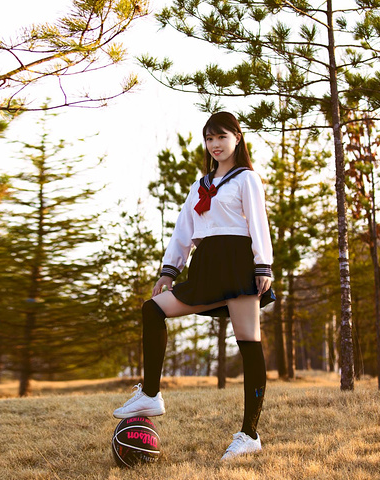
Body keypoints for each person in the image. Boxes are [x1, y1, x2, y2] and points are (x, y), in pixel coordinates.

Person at [113, 111, 273, 461]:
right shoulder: (200, 186)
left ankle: (249, 434)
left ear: (237, 138)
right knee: (153, 309)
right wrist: (169, 271)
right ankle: (151, 394)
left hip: (237, 265)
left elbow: (259, 223)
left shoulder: (247, 179)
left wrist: (263, 265)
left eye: (222, 137)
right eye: (209, 138)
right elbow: (183, 232)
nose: (215, 144)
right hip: (205, 268)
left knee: (249, 344)